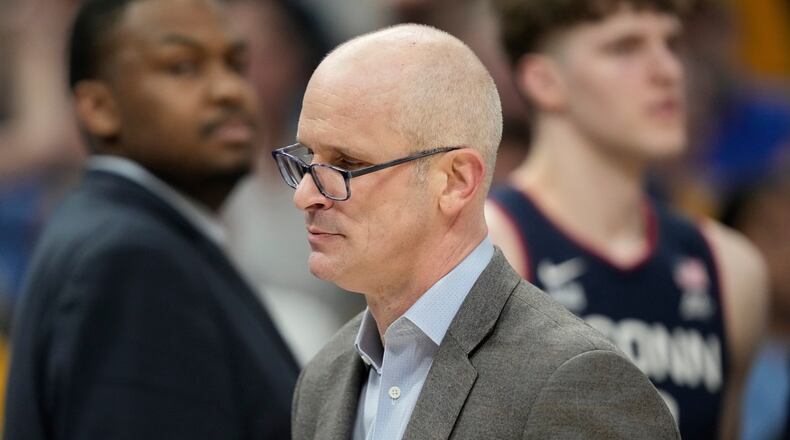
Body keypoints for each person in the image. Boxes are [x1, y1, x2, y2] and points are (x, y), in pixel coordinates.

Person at [276, 24, 679, 439]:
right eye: (308, 158)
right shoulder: (323, 376)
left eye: (346, 165)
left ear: (455, 181)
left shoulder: (577, 381)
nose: (306, 194)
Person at [3, 0, 299, 439]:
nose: (229, 90)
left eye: (236, 64)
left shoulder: (127, 233)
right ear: (100, 108)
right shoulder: (130, 260)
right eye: (183, 66)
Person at [486, 1, 768, 438]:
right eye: (624, 47)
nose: (669, 71)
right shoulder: (485, 246)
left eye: (672, 43)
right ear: (544, 81)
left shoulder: (732, 269)